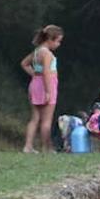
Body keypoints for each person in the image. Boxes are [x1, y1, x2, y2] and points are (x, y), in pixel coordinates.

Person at [20, 25, 63, 153]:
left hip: (35, 85)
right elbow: (46, 73)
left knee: (34, 118)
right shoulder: (47, 54)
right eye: (58, 41)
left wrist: (34, 74)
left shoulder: (36, 51)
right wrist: (49, 91)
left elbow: (24, 64)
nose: (59, 44)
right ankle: (47, 147)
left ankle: (27, 146)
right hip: (47, 87)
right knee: (46, 120)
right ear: (50, 39)